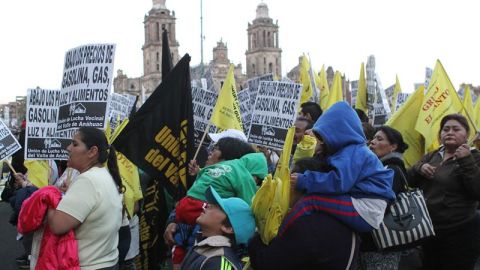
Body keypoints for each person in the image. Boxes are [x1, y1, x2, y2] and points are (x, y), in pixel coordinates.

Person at [291, 101, 395, 233]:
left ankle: (280, 237)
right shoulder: (351, 150)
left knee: (310, 201)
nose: (322, 140)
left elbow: (338, 182)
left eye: (323, 135)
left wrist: (304, 180)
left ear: (338, 132)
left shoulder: (355, 152)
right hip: (362, 203)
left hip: (366, 208)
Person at [165, 137, 267, 267]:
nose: (207, 206)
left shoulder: (219, 261)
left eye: (216, 149)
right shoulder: (202, 246)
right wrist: (173, 220)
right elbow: (188, 201)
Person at [249, 157, 359, 270]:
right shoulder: (344, 218)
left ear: (298, 183)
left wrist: (260, 231)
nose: (283, 187)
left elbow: (267, 263)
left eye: (288, 180)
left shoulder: (306, 223)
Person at [408, 114, 480, 270]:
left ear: (466, 135)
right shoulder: (432, 155)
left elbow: (477, 191)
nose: (449, 132)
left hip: (460, 232)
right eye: (445, 129)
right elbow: (408, 180)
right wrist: (419, 168)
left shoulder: (475, 157)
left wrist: (466, 160)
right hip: (429, 230)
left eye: (456, 129)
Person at [47, 127, 124, 269]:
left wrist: (48, 199)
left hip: (90, 264)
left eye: (75, 144)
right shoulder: (102, 174)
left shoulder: (87, 180)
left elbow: (57, 225)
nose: (68, 148)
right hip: (106, 261)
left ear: (92, 151)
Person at [360, 126, 409, 270]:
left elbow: (381, 206)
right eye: (374, 138)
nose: (372, 142)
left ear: (393, 146)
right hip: (373, 241)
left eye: (379, 139)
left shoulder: (391, 170)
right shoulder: (380, 167)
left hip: (382, 244)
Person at [180, 186, 256, 270]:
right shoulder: (205, 245)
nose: (207, 206)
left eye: (217, 207)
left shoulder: (218, 261)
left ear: (228, 228)